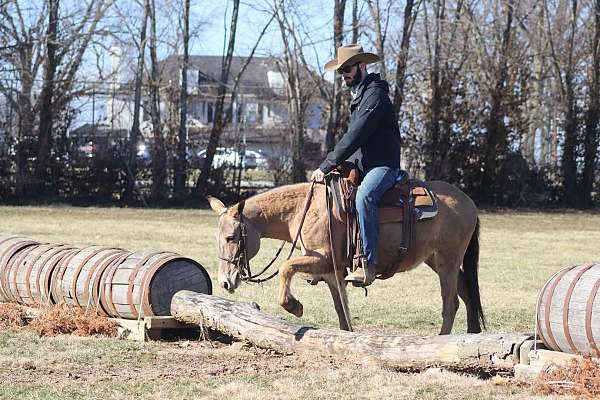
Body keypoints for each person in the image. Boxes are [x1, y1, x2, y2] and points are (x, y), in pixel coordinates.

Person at [310, 44, 401, 287]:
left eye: (348, 69)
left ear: (362, 65)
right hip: (365, 166)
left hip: (383, 166)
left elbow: (356, 135)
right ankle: (331, 260)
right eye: (341, 71)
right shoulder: (361, 95)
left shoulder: (374, 95)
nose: (344, 75)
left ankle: (368, 264)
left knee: (364, 198)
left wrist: (327, 164)